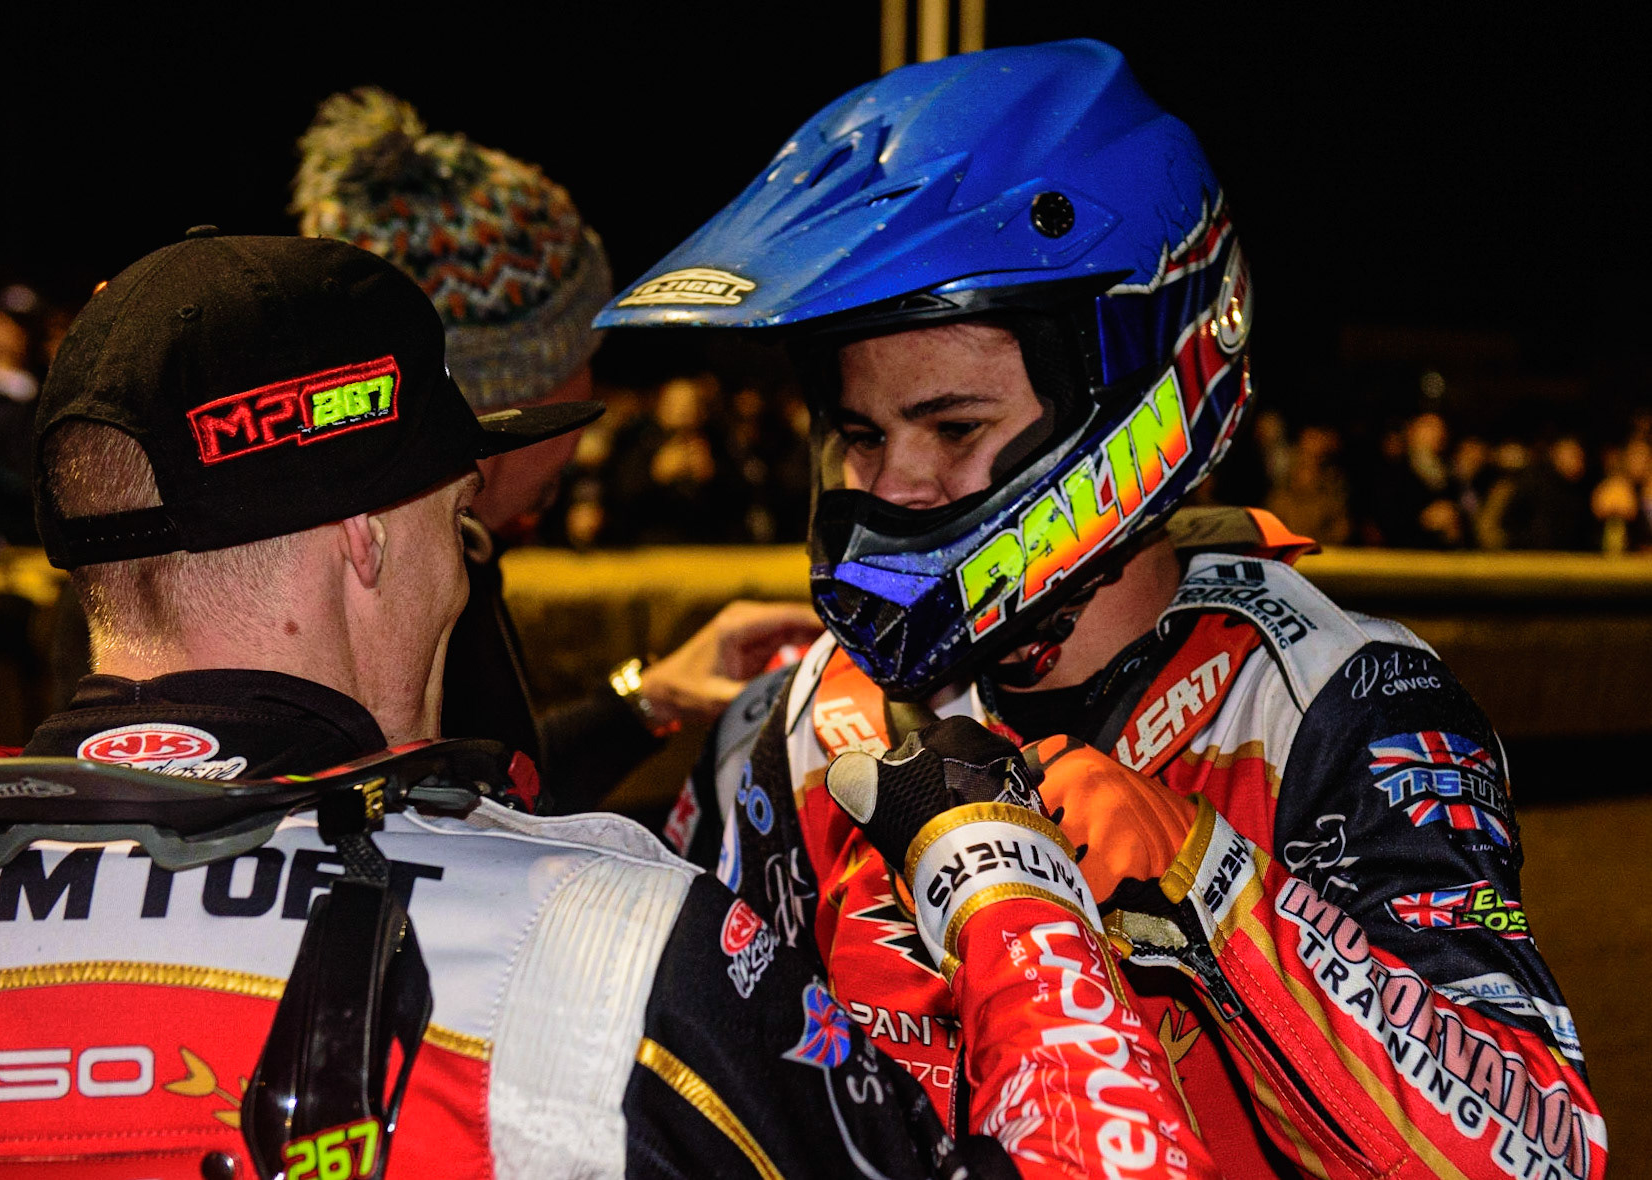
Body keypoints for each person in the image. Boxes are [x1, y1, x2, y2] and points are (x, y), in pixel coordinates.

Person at [0, 230, 1225, 1179]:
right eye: (457, 513)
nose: (467, 565)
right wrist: (996, 875)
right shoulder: (608, 934)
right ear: (366, 536)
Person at [597, 40, 1606, 1179]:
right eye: (863, 434)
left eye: (955, 428)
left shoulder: (1330, 703)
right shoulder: (808, 717)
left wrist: (1207, 880)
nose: (892, 486)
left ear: (1133, 395)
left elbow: (1541, 1151)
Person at [292, 88, 819, 811]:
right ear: (512, 394)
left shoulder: (394, 545)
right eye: (585, 356)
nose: (590, 409)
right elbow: (463, 836)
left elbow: (491, 795)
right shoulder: (397, 592)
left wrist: (646, 699)